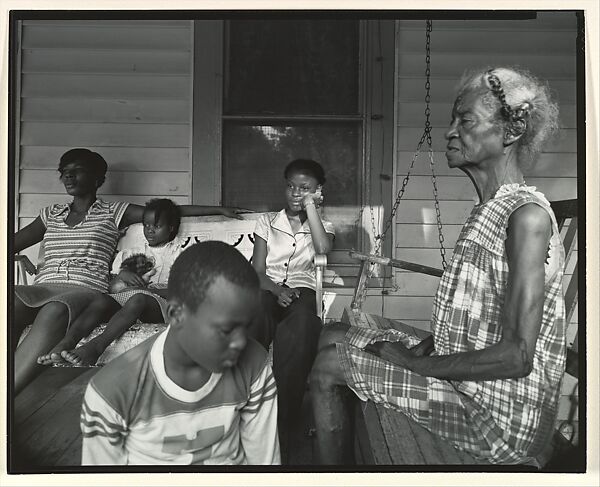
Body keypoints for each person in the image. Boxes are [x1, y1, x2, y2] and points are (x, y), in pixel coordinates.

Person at [310, 66, 566, 466]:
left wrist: (415, 363)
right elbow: (478, 320)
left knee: (329, 364)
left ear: (511, 132)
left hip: (496, 419)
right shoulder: (489, 211)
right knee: (333, 333)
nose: (449, 132)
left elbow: (517, 357)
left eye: (465, 121)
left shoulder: (526, 218)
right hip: (466, 385)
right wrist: (420, 350)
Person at [13, 148, 243, 394]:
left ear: (97, 180)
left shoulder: (113, 212)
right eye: (64, 172)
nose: (68, 177)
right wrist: (18, 256)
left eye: (77, 171)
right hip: (42, 284)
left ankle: (9, 393)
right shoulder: (51, 214)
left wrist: (217, 210)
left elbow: (164, 214)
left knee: (54, 310)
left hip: (83, 288)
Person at [80, 241, 280, 465]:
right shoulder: (112, 391)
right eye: (226, 329)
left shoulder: (255, 365)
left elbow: (264, 465)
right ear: (176, 315)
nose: (241, 342)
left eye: (246, 326)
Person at [249, 158, 335, 463]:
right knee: (256, 311)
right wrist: (276, 290)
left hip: (303, 288)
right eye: (291, 186)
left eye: (305, 188)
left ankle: (284, 418)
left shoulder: (322, 222)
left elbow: (322, 250)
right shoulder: (267, 222)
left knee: (301, 326)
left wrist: (312, 207)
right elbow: (257, 270)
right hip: (268, 287)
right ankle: (247, 399)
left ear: (317, 190)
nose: (296, 193)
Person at [37, 198, 183, 367]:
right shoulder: (133, 252)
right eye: (146, 225)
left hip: (160, 305)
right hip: (128, 299)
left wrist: (149, 292)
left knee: (138, 299)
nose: (150, 231)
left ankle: (95, 348)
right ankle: (66, 343)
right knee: (100, 299)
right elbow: (112, 286)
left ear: (171, 228)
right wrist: (122, 276)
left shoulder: (178, 254)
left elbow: (181, 291)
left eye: (157, 226)